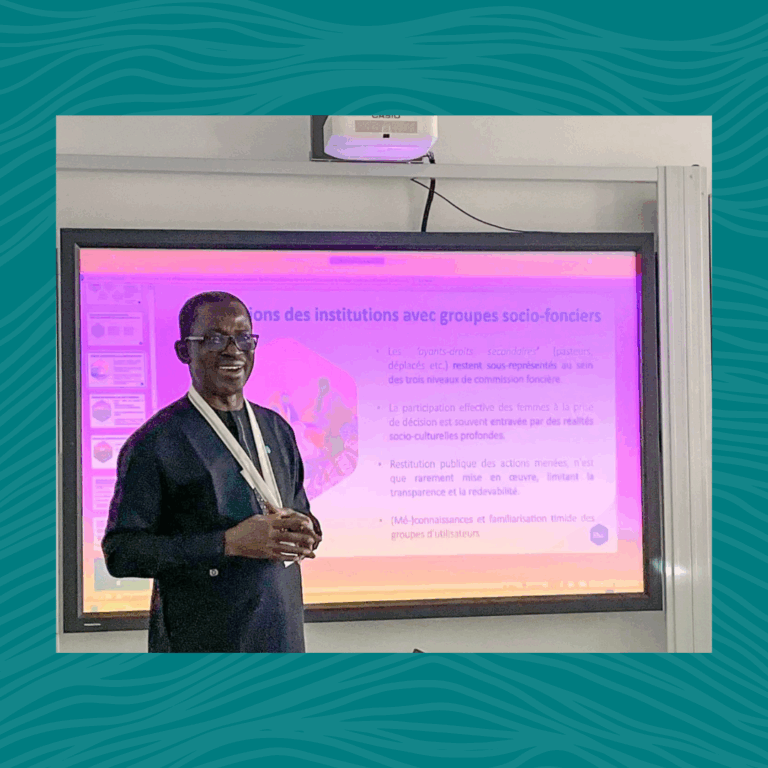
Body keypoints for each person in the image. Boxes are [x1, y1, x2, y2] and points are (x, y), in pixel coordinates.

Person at [102, 291, 321, 652]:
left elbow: (299, 509)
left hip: (281, 635)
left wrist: (308, 531)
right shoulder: (156, 441)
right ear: (183, 351)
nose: (233, 351)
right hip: (201, 642)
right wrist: (227, 544)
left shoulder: (276, 429)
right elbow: (122, 553)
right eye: (215, 339)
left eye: (243, 338)